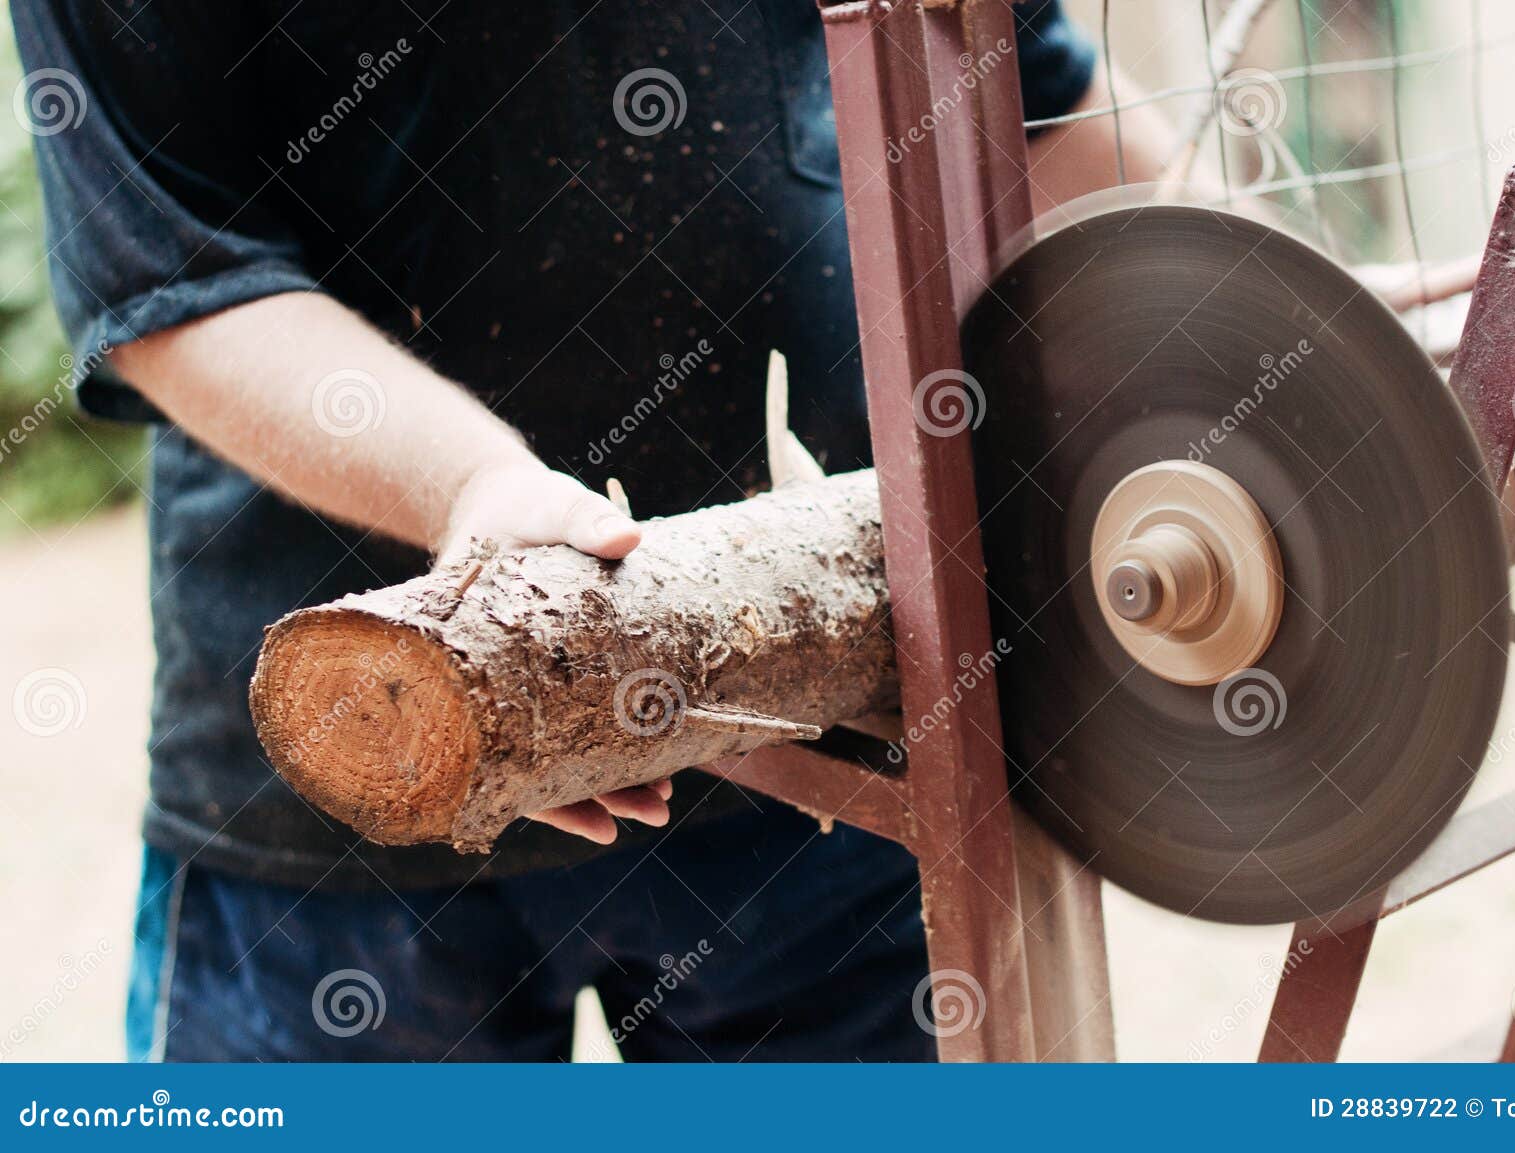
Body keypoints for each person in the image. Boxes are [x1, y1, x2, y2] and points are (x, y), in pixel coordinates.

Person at [13, 1, 1168, 1061]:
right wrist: (476, 486)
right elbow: (172, 275)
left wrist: (1298, 355)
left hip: (833, 755)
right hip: (357, 791)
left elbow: (1028, 101)